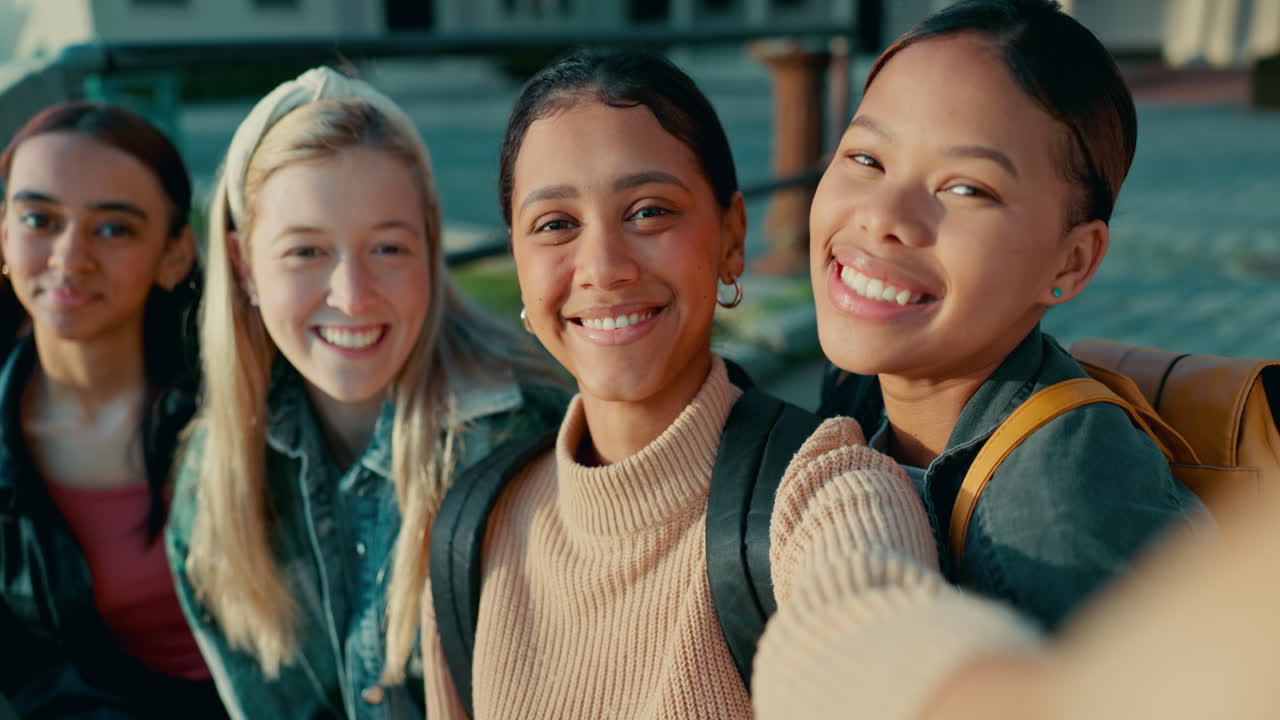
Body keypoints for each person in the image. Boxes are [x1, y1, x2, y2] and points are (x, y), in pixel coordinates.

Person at [418, 48, 1039, 720]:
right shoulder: (474, 529)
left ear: (732, 238)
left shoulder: (822, 491)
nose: (603, 267)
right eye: (556, 225)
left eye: (649, 211)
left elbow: (876, 623)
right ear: (517, 258)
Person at [164, 68, 568, 718]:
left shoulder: (528, 437)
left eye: (387, 247)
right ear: (243, 266)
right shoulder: (212, 481)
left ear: (429, 247)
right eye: (306, 252)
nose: (352, 296)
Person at [812, 0, 1205, 629]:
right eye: (867, 159)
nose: (884, 217)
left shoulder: (1051, 521)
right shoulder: (857, 395)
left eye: (966, 188)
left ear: (1070, 263)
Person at [0, 102, 219, 717]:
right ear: (3, 235)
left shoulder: (250, 406)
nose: (70, 258)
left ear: (174, 256)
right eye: (39, 219)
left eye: (115, 228)